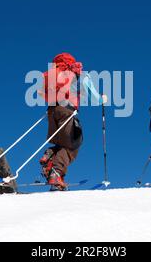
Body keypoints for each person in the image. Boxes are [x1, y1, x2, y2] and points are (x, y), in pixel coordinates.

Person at [38, 53, 107, 191]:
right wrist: (102, 99)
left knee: (62, 144)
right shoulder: (78, 73)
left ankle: (50, 155)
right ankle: (56, 173)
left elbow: (40, 93)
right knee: (73, 144)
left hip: (52, 112)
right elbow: (93, 96)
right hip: (67, 111)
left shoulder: (51, 74)